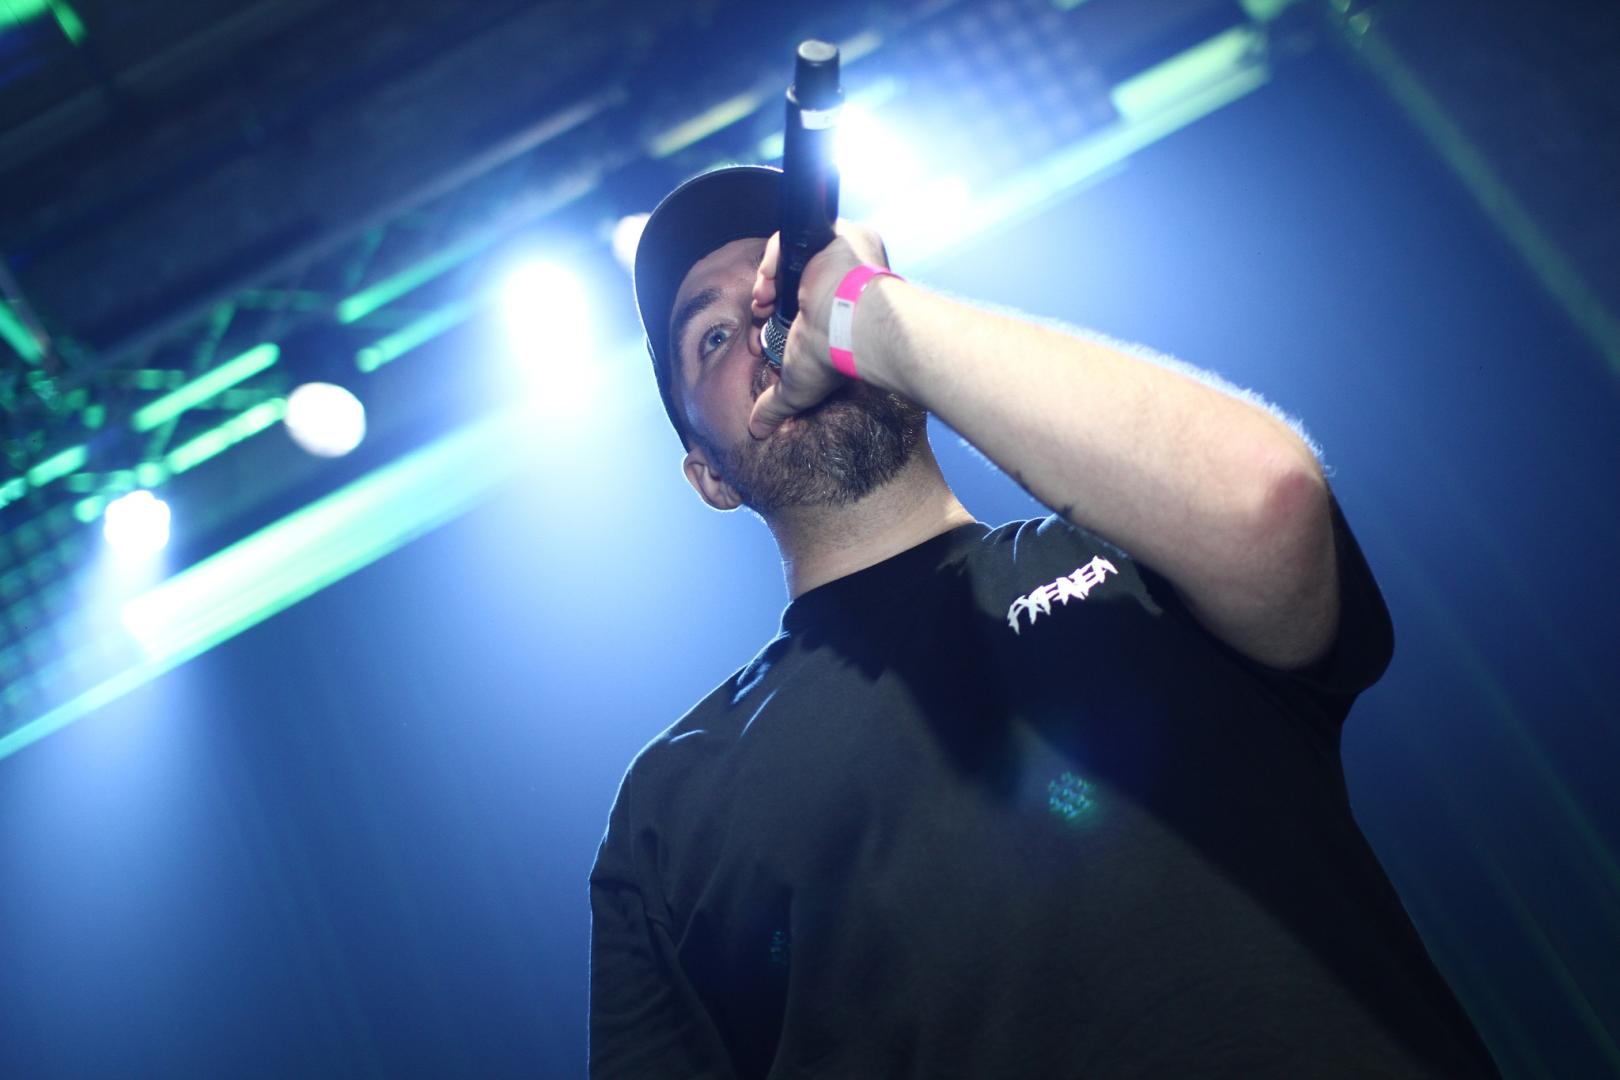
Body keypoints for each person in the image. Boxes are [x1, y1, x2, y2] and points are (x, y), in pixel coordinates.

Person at [588, 165, 1499, 1078]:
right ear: (707, 475)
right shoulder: (672, 803)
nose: (769, 329)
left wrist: (876, 313)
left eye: (785, 288)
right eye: (713, 337)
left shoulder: (1144, 554)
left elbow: (1272, 503)